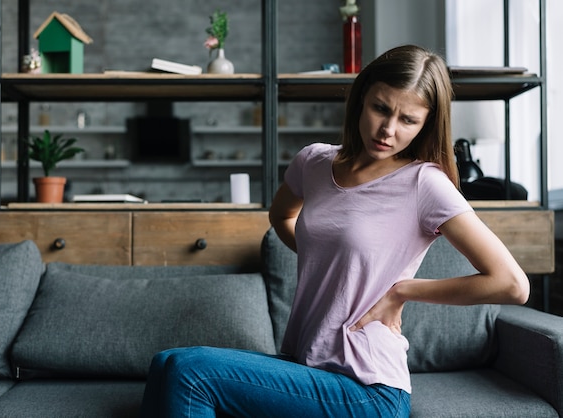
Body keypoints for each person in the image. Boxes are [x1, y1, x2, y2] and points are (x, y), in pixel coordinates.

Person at [139, 44, 529, 418]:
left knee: (190, 371)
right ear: (361, 98)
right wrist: (324, 258)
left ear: (425, 124)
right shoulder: (314, 162)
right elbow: (282, 217)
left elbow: (512, 284)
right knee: (166, 363)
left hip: (368, 389)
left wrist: (403, 291)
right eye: (380, 108)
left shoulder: (424, 184)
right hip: (307, 365)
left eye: (408, 120)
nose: (388, 129)